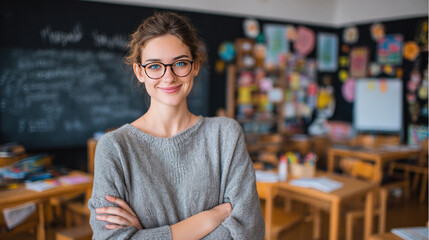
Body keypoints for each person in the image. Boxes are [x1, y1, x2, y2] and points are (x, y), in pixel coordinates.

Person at [88, 11, 265, 239]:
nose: (169, 77)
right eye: (154, 66)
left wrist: (145, 234)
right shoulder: (114, 148)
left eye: (180, 63)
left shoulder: (225, 136)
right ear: (139, 71)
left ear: (196, 65)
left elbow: (251, 233)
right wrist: (208, 219)